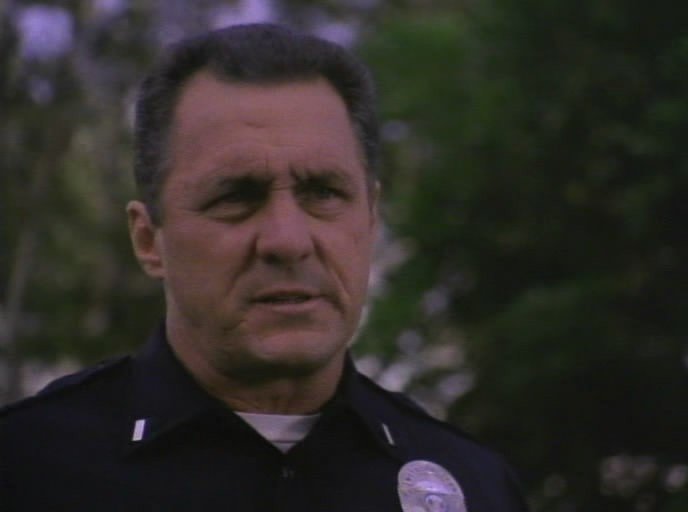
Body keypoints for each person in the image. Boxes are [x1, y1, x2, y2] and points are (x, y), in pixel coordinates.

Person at [0, 23, 529, 511]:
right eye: (237, 196)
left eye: (323, 192)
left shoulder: (476, 487)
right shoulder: (28, 470)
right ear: (148, 240)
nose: (287, 241)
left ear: (371, 219)